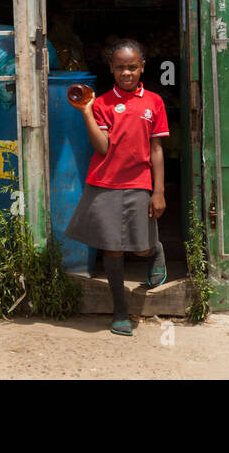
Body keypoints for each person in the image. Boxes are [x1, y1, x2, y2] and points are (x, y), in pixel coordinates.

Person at [63, 38, 168, 336]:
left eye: (132, 67)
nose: (126, 73)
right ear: (111, 68)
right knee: (112, 250)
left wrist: (158, 191)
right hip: (104, 183)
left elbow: (157, 148)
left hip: (139, 183)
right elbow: (102, 147)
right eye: (120, 67)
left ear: (142, 67)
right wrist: (86, 112)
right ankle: (120, 310)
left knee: (140, 246)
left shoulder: (154, 103)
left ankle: (155, 251)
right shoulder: (103, 104)